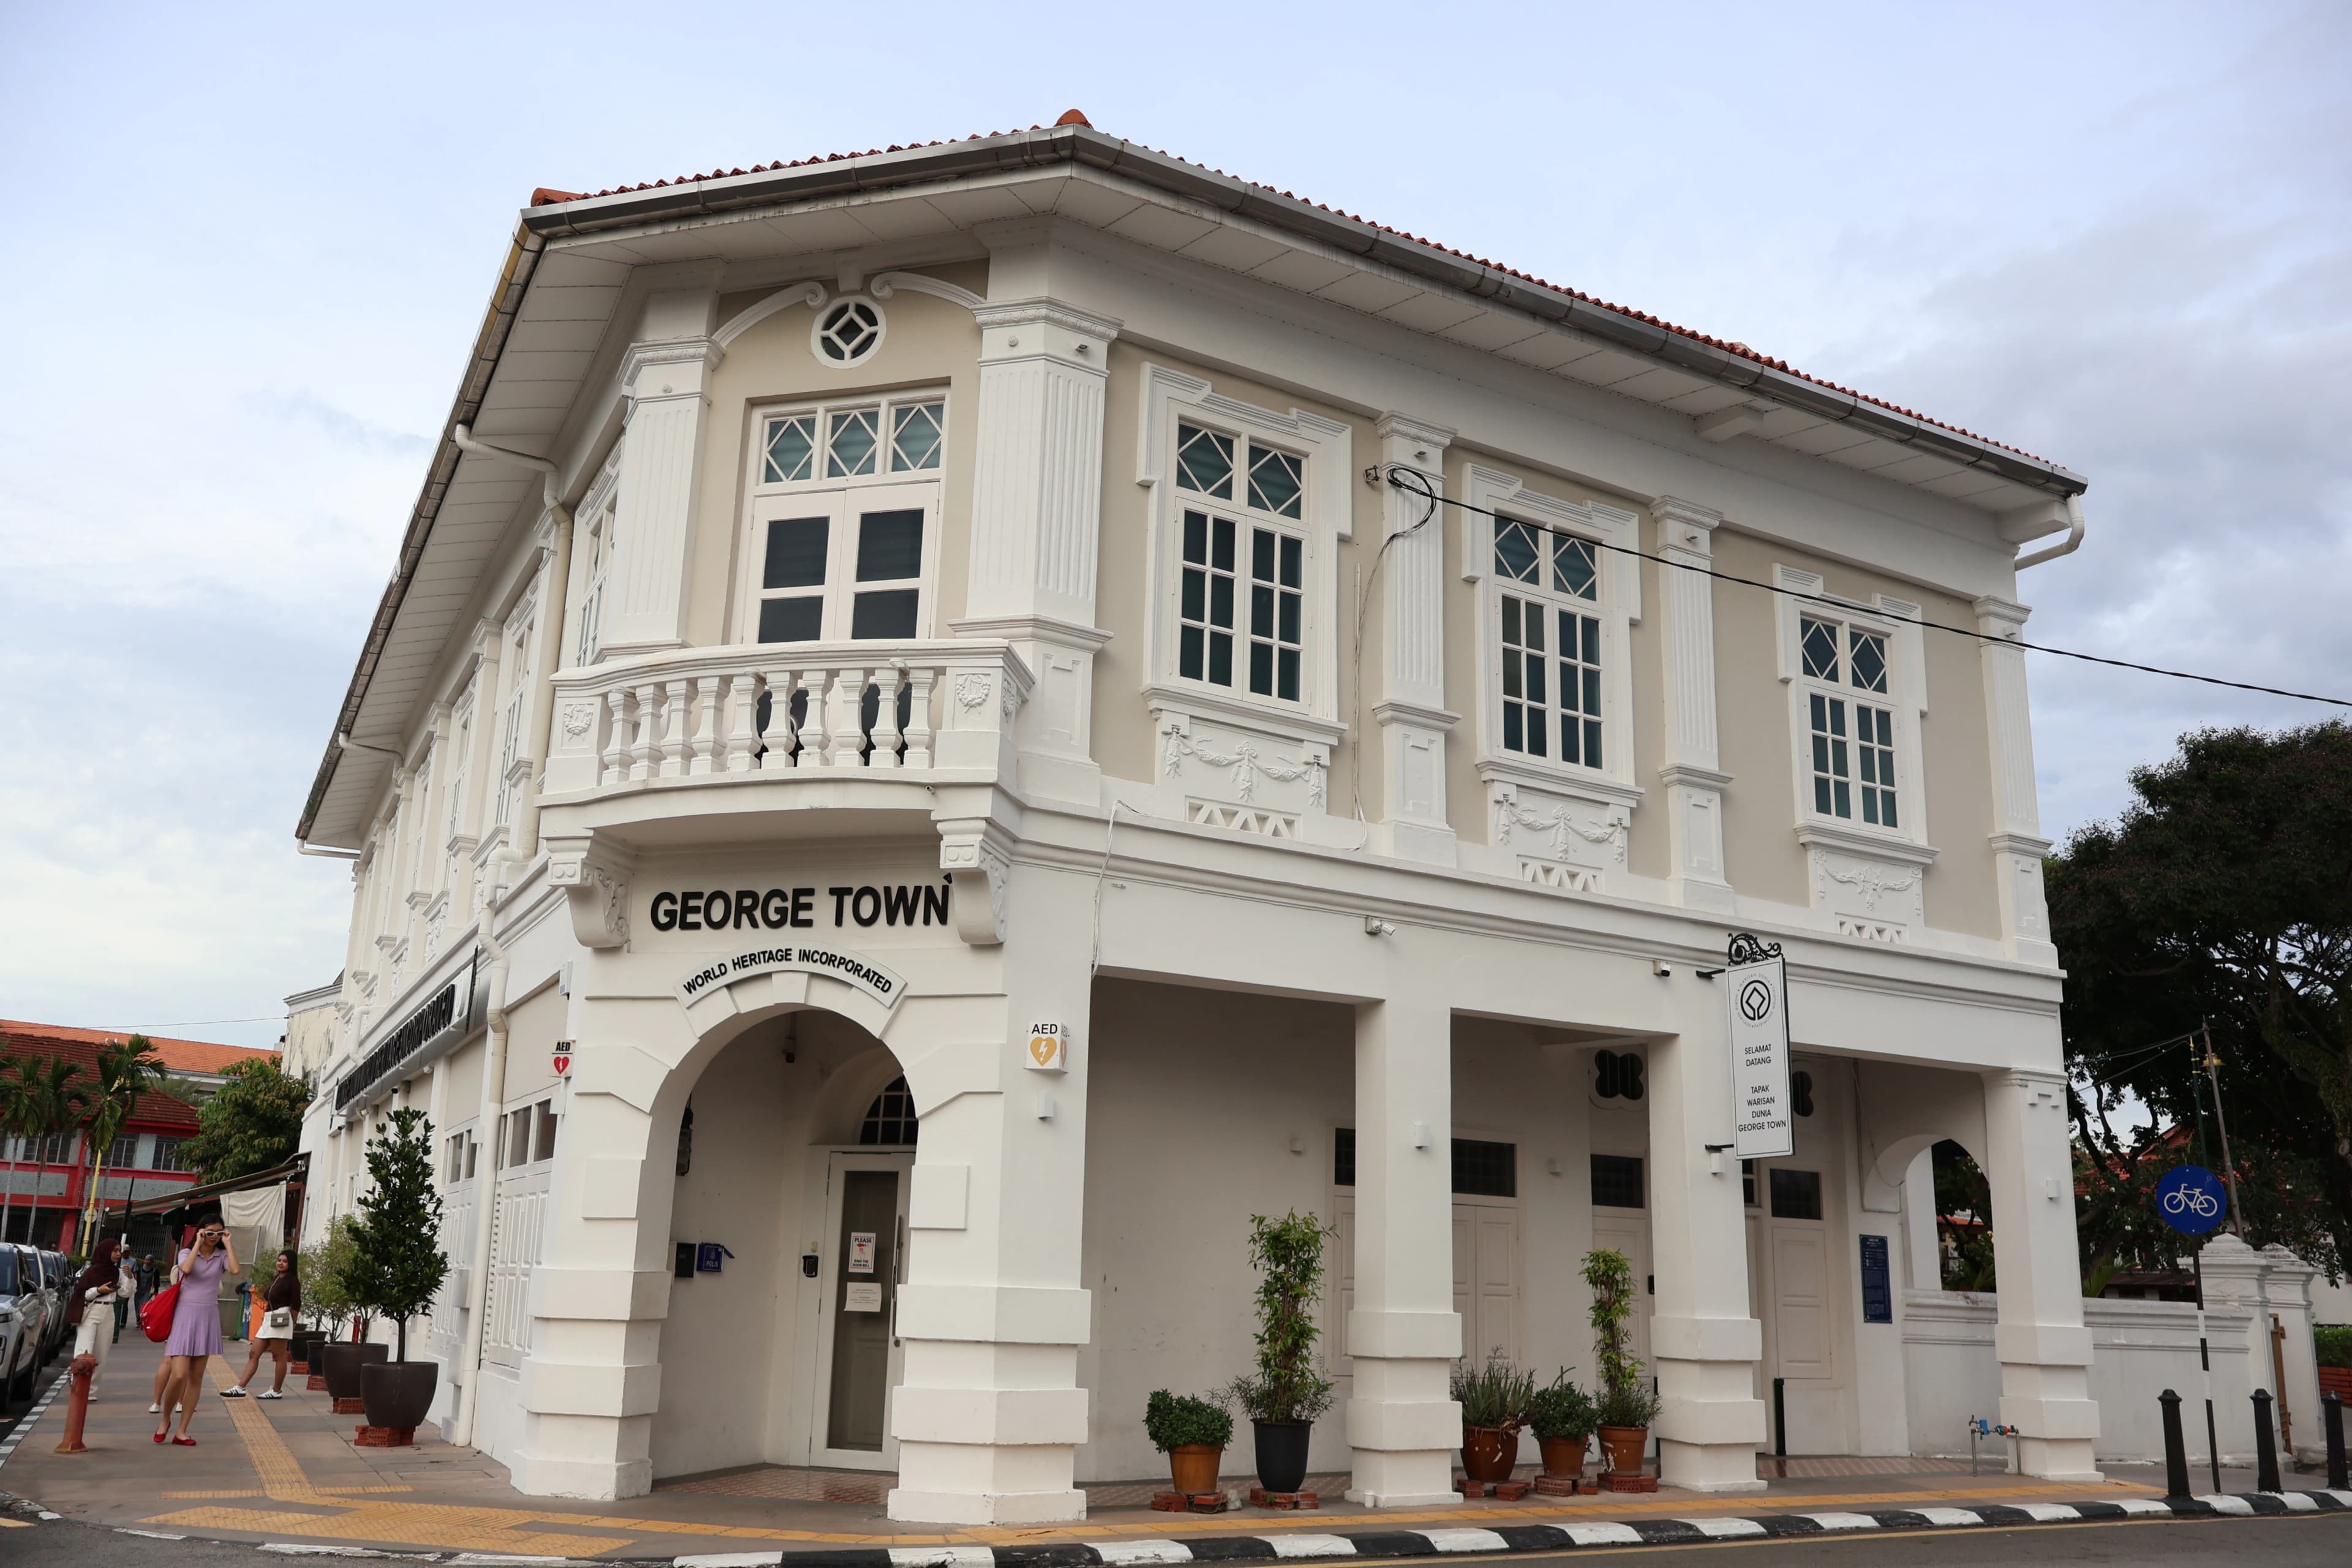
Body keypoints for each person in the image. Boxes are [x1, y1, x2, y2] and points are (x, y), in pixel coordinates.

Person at [154, 1219, 238, 1445]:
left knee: (196, 1378)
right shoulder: (185, 1253)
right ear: (201, 1231)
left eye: (218, 1233)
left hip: (208, 1316)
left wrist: (228, 1244)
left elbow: (235, 1270)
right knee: (179, 1374)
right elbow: (187, 1269)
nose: (214, 1236)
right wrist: (198, 1243)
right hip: (184, 1315)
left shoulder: (221, 1256)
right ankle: (165, 1419)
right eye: (210, 1232)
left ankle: (182, 1430)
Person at [223, 1250, 300, 1399]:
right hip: (269, 1319)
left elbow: (296, 1304)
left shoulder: (292, 1281)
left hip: (280, 1319)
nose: (280, 1263)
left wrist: (293, 1322)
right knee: (254, 1353)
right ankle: (240, 1387)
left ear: (291, 1264)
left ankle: (276, 1390)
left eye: (284, 1261)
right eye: (279, 1260)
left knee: (279, 1357)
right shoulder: (277, 1277)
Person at [67, 1238, 125, 1397]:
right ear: (106, 1252)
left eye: (119, 1251)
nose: (118, 1254)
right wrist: (98, 1290)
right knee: (84, 1350)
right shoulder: (91, 1272)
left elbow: (126, 1293)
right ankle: (78, 1385)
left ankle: (91, 1390)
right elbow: (82, 1294)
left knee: (101, 1353)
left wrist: (130, 1278)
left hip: (108, 1312)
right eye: (115, 1251)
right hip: (91, 1311)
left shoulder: (117, 1273)